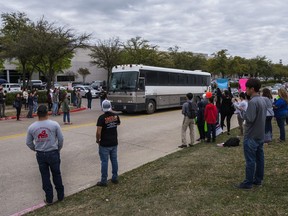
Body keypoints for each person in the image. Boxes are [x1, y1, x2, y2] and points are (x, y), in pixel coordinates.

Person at [26, 105, 64, 204]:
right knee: (57, 174)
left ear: (37, 114)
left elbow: (28, 142)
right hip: (53, 152)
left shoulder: (32, 127)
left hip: (41, 154)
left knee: (45, 176)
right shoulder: (54, 124)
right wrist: (58, 149)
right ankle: (60, 196)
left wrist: (36, 149)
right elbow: (61, 139)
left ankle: (49, 199)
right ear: (47, 113)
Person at [235, 78, 267, 189]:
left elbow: (249, 118)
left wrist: (241, 111)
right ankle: (258, 179)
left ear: (252, 89)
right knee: (259, 158)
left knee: (250, 160)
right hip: (260, 134)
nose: (246, 91)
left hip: (251, 135)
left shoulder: (253, 102)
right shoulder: (262, 100)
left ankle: (248, 182)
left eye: (247, 88)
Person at [96, 100, 121, 187]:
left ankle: (104, 181)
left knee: (104, 162)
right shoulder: (116, 116)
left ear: (102, 107)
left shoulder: (101, 118)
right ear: (110, 106)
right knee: (114, 160)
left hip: (104, 143)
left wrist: (97, 140)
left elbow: (98, 131)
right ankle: (115, 178)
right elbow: (118, 124)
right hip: (114, 142)